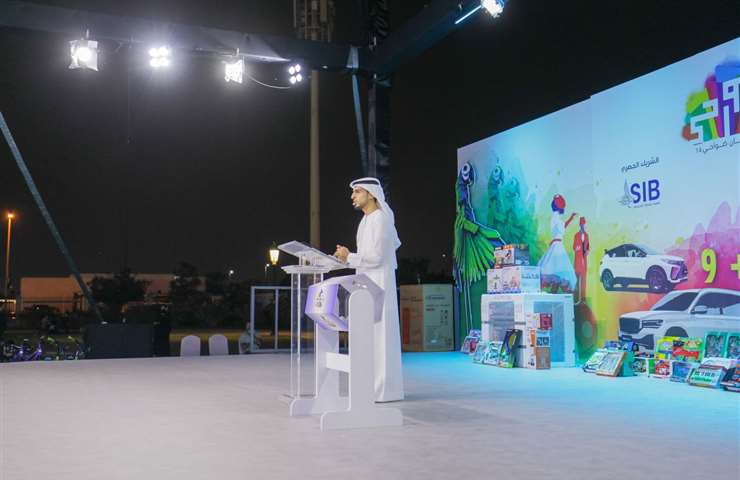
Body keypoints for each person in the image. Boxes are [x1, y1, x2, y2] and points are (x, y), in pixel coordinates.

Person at [334, 177, 404, 402]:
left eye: (357, 191)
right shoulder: (365, 221)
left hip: (380, 283)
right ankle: (369, 386)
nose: (352, 196)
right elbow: (364, 258)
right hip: (365, 284)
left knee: (381, 336)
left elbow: (376, 257)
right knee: (368, 336)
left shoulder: (381, 219)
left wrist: (349, 256)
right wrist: (345, 258)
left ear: (371, 194)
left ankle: (384, 390)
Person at [538, 194, 577, 293]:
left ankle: (554, 293)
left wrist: (571, 218)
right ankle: (555, 293)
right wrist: (571, 218)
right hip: (557, 245)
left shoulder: (556, 217)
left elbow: (562, 227)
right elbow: (561, 229)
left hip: (557, 244)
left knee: (557, 271)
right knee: (558, 270)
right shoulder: (556, 218)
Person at [572, 216, 590, 303]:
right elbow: (574, 247)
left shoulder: (586, 235)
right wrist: (578, 248)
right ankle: (575, 298)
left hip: (584, 261)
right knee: (576, 280)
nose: (583, 226)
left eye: (584, 224)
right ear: (580, 225)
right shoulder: (576, 235)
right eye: (582, 224)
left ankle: (583, 299)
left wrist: (587, 251)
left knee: (583, 281)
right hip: (577, 261)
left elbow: (588, 246)